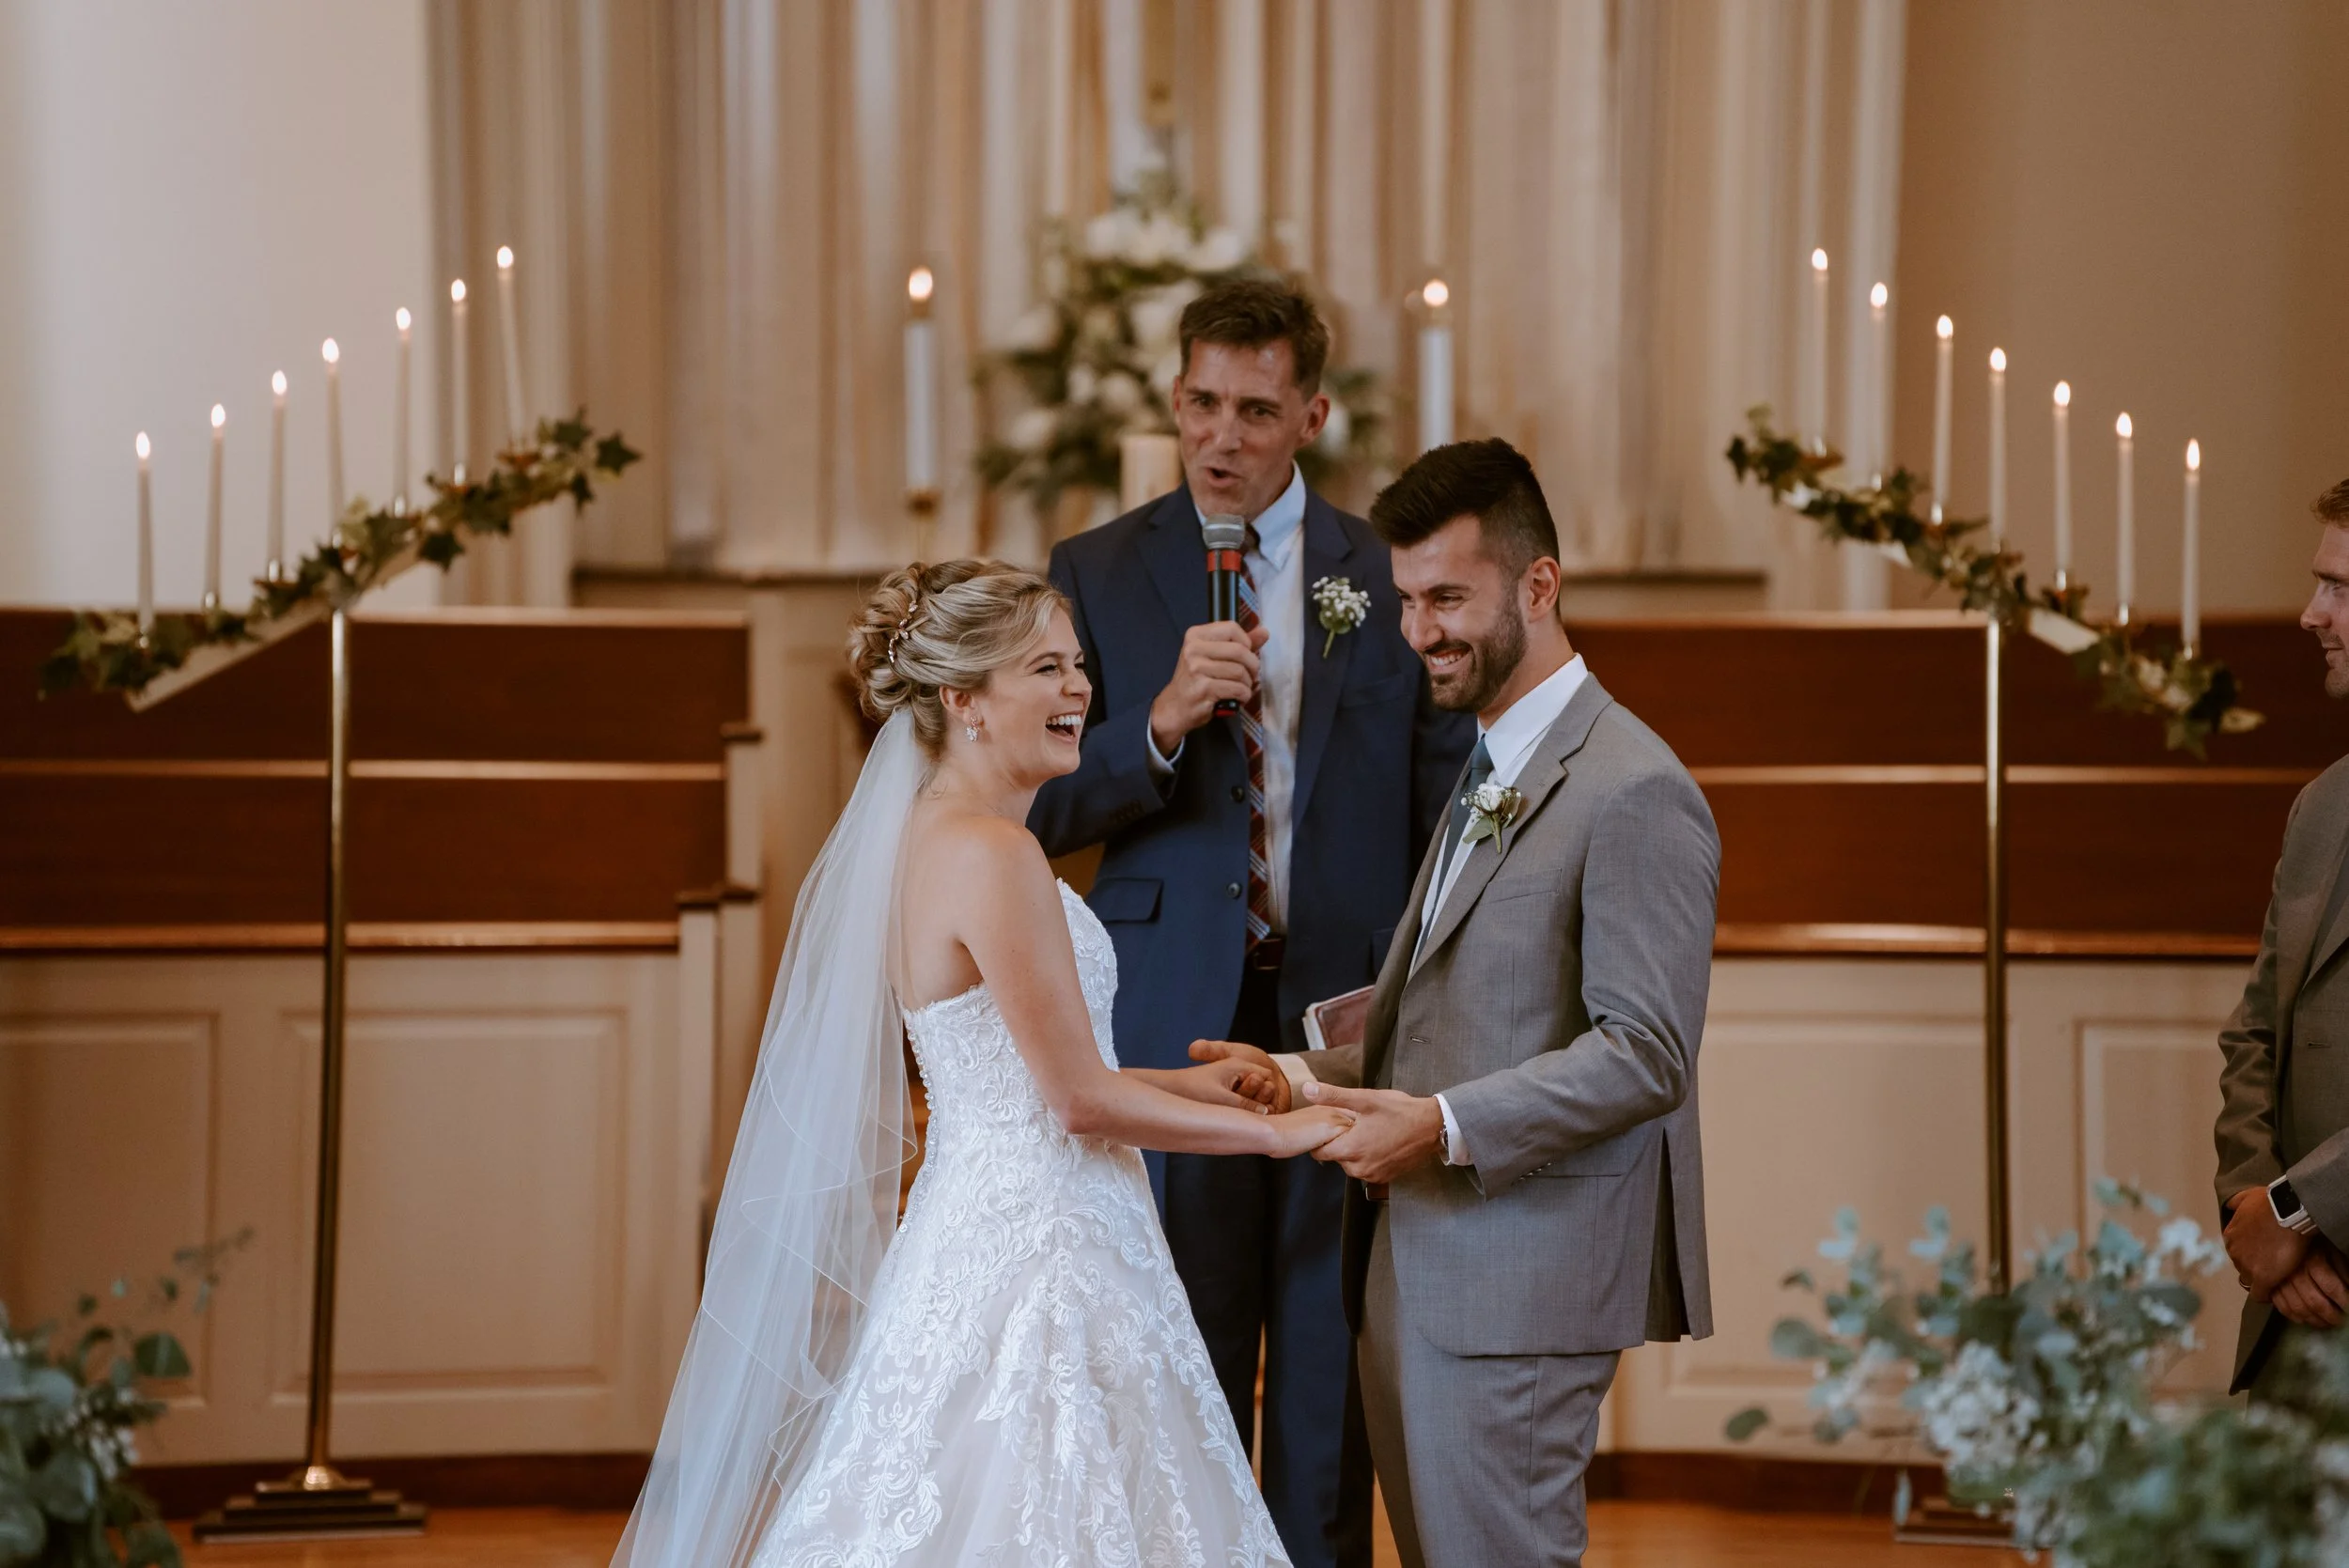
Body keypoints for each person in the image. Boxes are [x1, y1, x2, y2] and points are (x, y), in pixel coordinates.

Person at [613, 561, 1356, 1568]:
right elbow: (1077, 1103)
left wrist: (1190, 1084)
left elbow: (1018, 1078)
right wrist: (1279, 1135)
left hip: (990, 1219)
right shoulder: (993, 854)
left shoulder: (936, 838)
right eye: (1044, 669)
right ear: (963, 699)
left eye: (1078, 665)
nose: (1079, 688)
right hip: (1043, 1249)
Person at [1201, 439, 1719, 1568]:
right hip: (1424, 1274)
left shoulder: (1633, 788)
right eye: (1404, 599)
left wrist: (1435, 1127)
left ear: (1538, 585)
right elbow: (1465, 1009)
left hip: (1517, 1292)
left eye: (1447, 599)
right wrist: (1295, 1076)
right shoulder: (1489, 763)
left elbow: (1645, 1052)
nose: (1417, 631)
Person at [1028, 278, 1471, 1568]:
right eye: (1202, 404)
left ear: (1311, 417)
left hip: (1339, 1010)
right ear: (1175, 399)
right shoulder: (1097, 569)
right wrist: (1158, 724)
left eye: (1256, 411)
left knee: (1329, 1351)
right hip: (1172, 1006)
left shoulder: (1381, 572)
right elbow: (1037, 801)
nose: (1222, 437)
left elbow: (1444, 803)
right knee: (1186, 1337)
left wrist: (1415, 994)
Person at [2217, 479, 2349, 1396]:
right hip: (2299, 1315)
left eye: (2340, 587)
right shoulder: (2322, 805)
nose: (2311, 613)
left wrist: (2297, 1210)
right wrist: (2252, 1206)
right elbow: (2254, 1033)